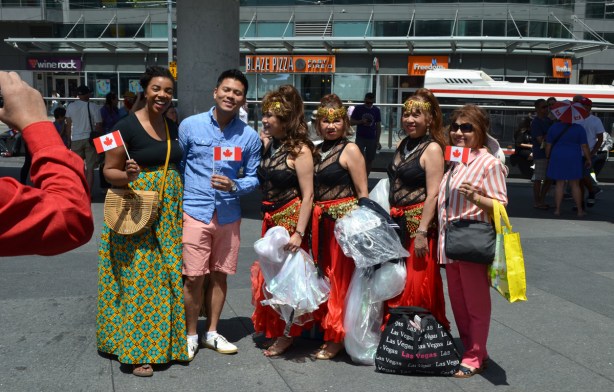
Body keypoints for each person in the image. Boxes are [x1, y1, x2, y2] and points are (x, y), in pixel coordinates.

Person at [96, 66, 189, 377]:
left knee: (165, 277)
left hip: (167, 214)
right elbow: (108, 172)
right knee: (141, 281)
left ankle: (167, 345)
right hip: (137, 210)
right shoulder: (120, 127)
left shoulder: (171, 123)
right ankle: (136, 353)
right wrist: (128, 175)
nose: (162, 95)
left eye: (167, 90)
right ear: (144, 90)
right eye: (156, 89)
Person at [180, 69, 261, 360]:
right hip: (194, 211)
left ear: (243, 99)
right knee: (193, 277)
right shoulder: (190, 126)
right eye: (226, 90)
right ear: (215, 92)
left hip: (228, 214)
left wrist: (235, 185)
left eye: (237, 92)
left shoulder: (249, 137)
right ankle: (190, 334)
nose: (231, 96)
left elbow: (254, 177)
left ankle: (211, 332)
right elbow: (179, 165)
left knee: (220, 276)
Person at [437, 104, 508, 378]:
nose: (458, 132)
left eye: (466, 127)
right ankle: (474, 349)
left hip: (471, 241)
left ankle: (475, 355)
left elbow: (501, 206)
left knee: (476, 304)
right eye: (454, 126)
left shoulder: (489, 163)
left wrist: (476, 198)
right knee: (459, 303)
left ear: (480, 130)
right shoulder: (457, 159)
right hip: (452, 242)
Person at [250, 85, 314, 357]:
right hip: (271, 221)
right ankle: (277, 329)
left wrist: (299, 232)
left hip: (289, 223)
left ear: (287, 120)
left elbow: (309, 194)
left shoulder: (300, 149)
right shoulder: (272, 146)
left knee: (289, 283)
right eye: (265, 114)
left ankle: (288, 335)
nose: (265, 120)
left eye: (272, 116)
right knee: (273, 280)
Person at [0, 70, 93, 256]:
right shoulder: (91, 107)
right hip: (79, 140)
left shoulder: (73, 107)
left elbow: (68, 123)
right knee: (87, 167)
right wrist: (36, 122)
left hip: (75, 139)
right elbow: (70, 217)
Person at [384, 89, 449, 330]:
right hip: (396, 224)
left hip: (417, 228)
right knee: (397, 281)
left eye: (417, 115)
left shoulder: (432, 149)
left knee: (417, 283)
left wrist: (422, 232)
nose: (410, 120)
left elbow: (433, 193)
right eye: (406, 114)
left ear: (430, 119)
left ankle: (420, 340)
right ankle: (397, 335)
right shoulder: (403, 143)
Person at [310, 94, 369, 359]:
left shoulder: (351, 150)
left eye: (336, 121)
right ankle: (325, 328)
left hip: (343, 228)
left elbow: (363, 194)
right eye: (325, 121)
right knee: (323, 278)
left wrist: (359, 229)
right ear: (318, 124)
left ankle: (337, 335)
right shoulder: (316, 150)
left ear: (345, 124)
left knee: (340, 281)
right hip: (320, 225)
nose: (330, 126)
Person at [545, 102, 591, 217]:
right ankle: (580, 210)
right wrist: (588, 159)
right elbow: (584, 146)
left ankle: (557, 210)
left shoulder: (553, 127)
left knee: (560, 184)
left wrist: (548, 157)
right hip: (573, 157)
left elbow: (548, 145)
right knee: (575, 184)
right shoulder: (579, 129)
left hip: (557, 156)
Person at [65, 84, 102, 192]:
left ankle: (78, 191)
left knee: (77, 168)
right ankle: (88, 193)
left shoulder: (71, 106)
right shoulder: (93, 106)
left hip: (75, 139)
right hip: (90, 140)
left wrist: (68, 139)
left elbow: (68, 124)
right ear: (87, 94)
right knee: (90, 169)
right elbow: (99, 125)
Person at [577, 97, 604, 207]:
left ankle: (592, 192)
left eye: (586, 105)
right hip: (576, 153)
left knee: (584, 177)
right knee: (579, 180)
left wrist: (593, 152)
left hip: (589, 153)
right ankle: (581, 202)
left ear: (590, 107)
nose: (583, 108)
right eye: (581, 106)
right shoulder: (576, 119)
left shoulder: (595, 120)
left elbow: (600, 138)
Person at [350, 92, 381, 175]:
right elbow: (351, 122)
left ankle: (365, 178)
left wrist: (377, 141)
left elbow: (378, 126)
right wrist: (361, 121)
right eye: (367, 102)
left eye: (371, 103)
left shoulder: (376, 110)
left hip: (372, 138)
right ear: (364, 100)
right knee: (358, 158)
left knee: (369, 160)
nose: (369, 104)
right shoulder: (358, 108)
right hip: (360, 137)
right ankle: (358, 177)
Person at [529, 98, 552, 209]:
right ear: (537, 109)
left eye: (547, 106)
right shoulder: (536, 122)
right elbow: (540, 140)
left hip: (550, 153)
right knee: (539, 178)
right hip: (541, 153)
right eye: (543, 107)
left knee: (549, 179)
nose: (546, 108)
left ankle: (542, 200)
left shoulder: (548, 120)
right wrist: (550, 135)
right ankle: (537, 201)